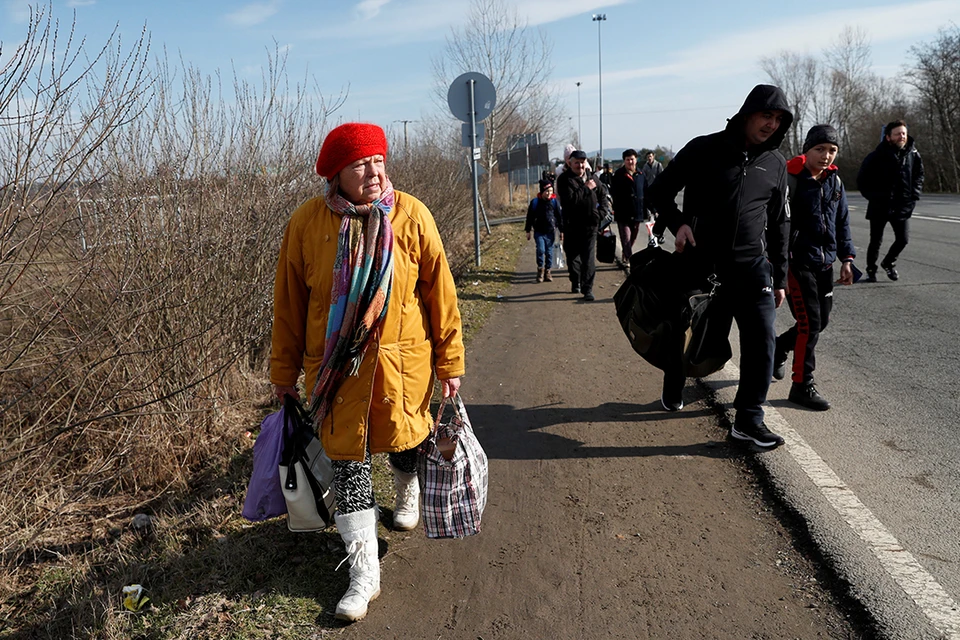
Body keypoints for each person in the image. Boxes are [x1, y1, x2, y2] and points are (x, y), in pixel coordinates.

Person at [270, 123, 465, 622]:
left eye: (378, 160)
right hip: (336, 372)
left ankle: (407, 487)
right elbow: (289, 307)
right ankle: (364, 572)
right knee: (348, 466)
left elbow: (440, 293)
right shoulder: (307, 224)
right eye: (360, 164)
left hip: (402, 365)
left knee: (405, 444)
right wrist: (283, 371)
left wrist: (450, 361)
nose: (374, 172)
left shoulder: (412, 215)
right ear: (337, 174)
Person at [648, 84, 792, 450]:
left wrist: (780, 277)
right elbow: (659, 191)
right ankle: (675, 378)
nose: (771, 125)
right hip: (701, 266)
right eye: (766, 116)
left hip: (752, 268)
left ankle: (748, 420)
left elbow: (780, 224)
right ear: (747, 113)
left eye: (779, 120)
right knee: (689, 338)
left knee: (762, 340)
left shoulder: (776, 164)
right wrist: (678, 222)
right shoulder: (703, 149)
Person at [773, 125, 855, 411]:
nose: (826, 156)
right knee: (810, 324)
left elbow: (841, 222)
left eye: (831, 150)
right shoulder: (790, 179)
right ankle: (801, 385)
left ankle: (779, 347)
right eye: (820, 149)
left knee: (821, 322)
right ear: (807, 150)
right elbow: (775, 226)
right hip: (798, 263)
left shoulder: (835, 181)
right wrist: (778, 268)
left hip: (825, 262)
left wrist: (847, 259)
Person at [856, 119, 924, 282]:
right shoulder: (876, 156)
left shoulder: (913, 154)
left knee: (903, 239)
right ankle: (871, 270)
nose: (902, 136)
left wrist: (914, 194)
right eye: (898, 134)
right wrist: (873, 196)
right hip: (880, 205)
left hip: (903, 205)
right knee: (875, 241)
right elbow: (862, 179)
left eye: (904, 133)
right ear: (888, 137)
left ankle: (889, 262)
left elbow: (919, 175)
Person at [556, 149, 600, 301]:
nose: (580, 166)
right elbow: (570, 201)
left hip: (590, 225)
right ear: (570, 163)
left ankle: (588, 289)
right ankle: (576, 281)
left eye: (582, 163)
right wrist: (586, 188)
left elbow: (603, 194)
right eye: (577, 163)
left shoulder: (592, 177)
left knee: (588, 258)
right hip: (572, 225)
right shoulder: (564, 180)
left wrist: (603, 212)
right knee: (573, 257)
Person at [525, 179, 564, 282]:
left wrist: (561, 231)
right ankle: (540, 270)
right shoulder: (535, 203)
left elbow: (559, 218)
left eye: (551, 191)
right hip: (539, 231)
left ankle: (548, 271)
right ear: (542, 191)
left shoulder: (555, 202)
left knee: (549, 252)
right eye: (547, 191)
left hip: (550, 231)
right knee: (541, 250)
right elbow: (530, 217)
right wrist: (528, 230)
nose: (549, 193)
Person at [610, 148, 644, 263]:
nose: (630, 162)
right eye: (628, 159)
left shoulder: (640, 174)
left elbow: (646, 191)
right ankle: (630, 259)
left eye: (632, 159)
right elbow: (613, 192)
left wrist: (651, 208)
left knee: (633, 237)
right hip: (623, 213)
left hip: (637, 212)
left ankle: (626, 252)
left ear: (636, 160)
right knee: (626, 237)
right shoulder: (618, 175)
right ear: (624, 161)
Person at [640, 151, 663, 222]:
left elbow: (662, 175)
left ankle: (657, 214)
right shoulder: (645, 166)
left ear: (653, 156)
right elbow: (643, 176)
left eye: (650, 156)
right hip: (648, 187)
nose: (649, 158)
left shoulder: (658, 165)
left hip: (657, 187)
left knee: (657, 202)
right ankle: (650, 215)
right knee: (649, 202)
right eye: (648, 157)